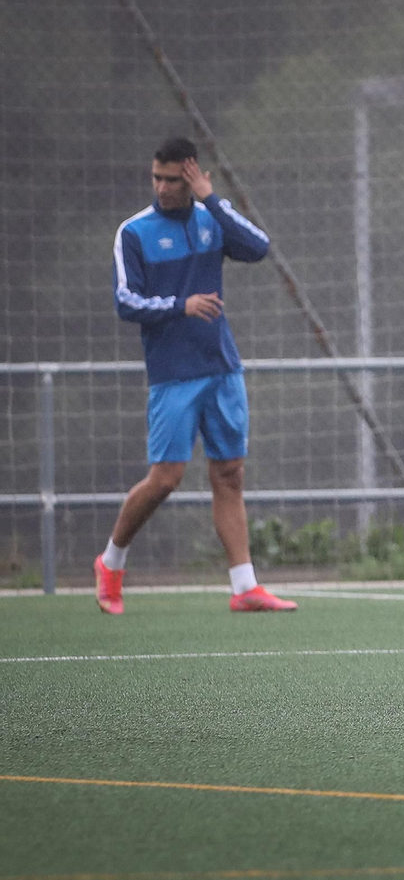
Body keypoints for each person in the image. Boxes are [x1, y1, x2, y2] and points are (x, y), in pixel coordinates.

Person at [95, 136, 298, 614]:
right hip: (173, 375)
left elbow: (259, 247)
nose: (163, 188)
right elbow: (126, 302)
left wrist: (211, 197)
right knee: (165, 479)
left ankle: (245, 587)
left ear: (191, 175)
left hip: (222, 368)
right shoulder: (134, 232)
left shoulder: (212, 217)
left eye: (172, 179)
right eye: (157, 178)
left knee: (229, 474)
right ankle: (111, 561)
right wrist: (179, 306)